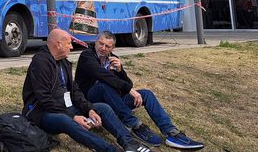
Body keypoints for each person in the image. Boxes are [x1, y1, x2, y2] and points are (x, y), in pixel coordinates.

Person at [22, 29, 151, 152]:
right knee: (65, 120)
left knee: (102, 108)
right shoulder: (40, 62)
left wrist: (89, 109)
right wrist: (73, 116)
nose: (71, 47)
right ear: (58, 44)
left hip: (66, 107)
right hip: (43, 112)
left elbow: (75, 91)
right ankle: (109, 149)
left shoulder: (64, 62)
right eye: (69, 44)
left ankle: (130, 143)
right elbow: (44, 98)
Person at [75, 31, 204, 149]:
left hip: (114, 100)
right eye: (100, 44)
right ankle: (134, 124)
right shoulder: (87, 56)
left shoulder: (112, 58)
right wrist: (130, 89)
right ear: (96, 42)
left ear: (112, 48)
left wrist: (120, 71)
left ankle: (171, 133)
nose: (103, 48)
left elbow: (127, 83)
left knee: (146, 94)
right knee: (103, 85)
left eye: (107, 46)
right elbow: (103, 76)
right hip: (91, 99)